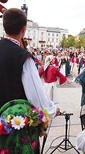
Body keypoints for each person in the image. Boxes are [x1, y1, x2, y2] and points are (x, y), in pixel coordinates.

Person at [0, 8, 60, 153]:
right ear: (24, 29)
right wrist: (52, 110)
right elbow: (36, 97)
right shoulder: (22, 57)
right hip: (12, 129)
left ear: (4, 26)